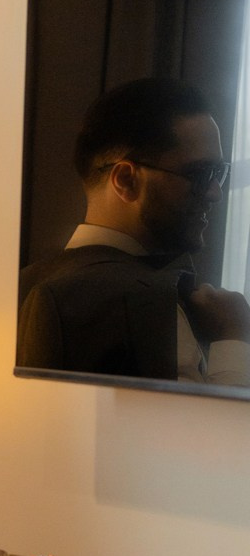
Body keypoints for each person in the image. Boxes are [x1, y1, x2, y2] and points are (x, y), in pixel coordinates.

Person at [17, 77, 250, 385]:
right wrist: (233, 336)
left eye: (218, 173)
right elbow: (204, 419)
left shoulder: (19, 287)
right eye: (199, 174)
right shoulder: (147, 304)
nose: (214, 193)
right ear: (126, 180)